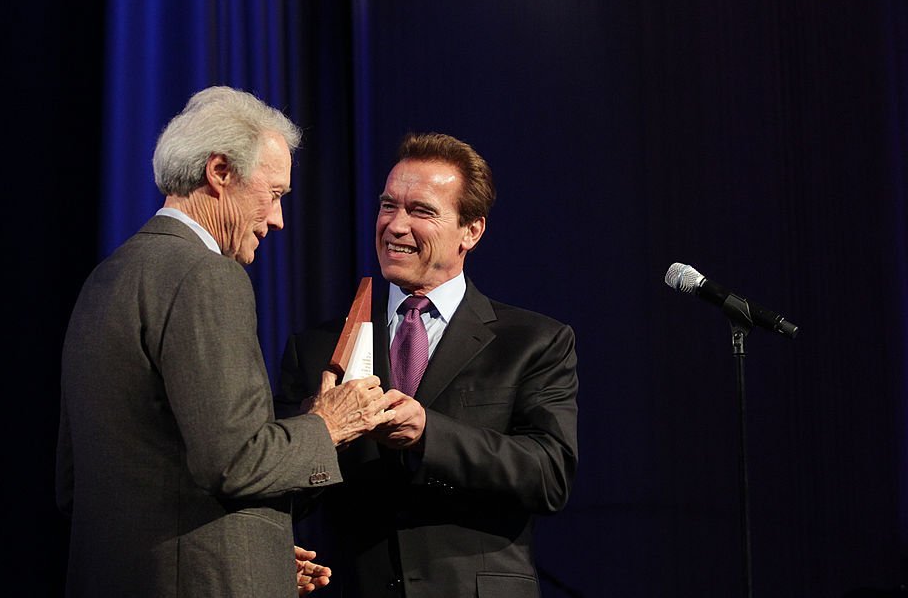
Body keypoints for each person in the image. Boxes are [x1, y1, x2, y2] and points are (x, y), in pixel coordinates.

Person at [57, 86, 396, 597]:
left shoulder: (107, 277)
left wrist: (251, 551)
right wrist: (327, 424)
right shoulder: (206, 275)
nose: (278, 219)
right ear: (220, 173)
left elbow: (75, 483)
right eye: (275, 194)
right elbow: (234, 461)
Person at [277, 132, 579, 597]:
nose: (395, 226)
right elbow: (281, 493)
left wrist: (428, 433)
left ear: (471, 231)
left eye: (421, 211)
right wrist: (319, 428)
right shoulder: (318, 347)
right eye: (387, 206)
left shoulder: (533, 341)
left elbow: (549, 475)